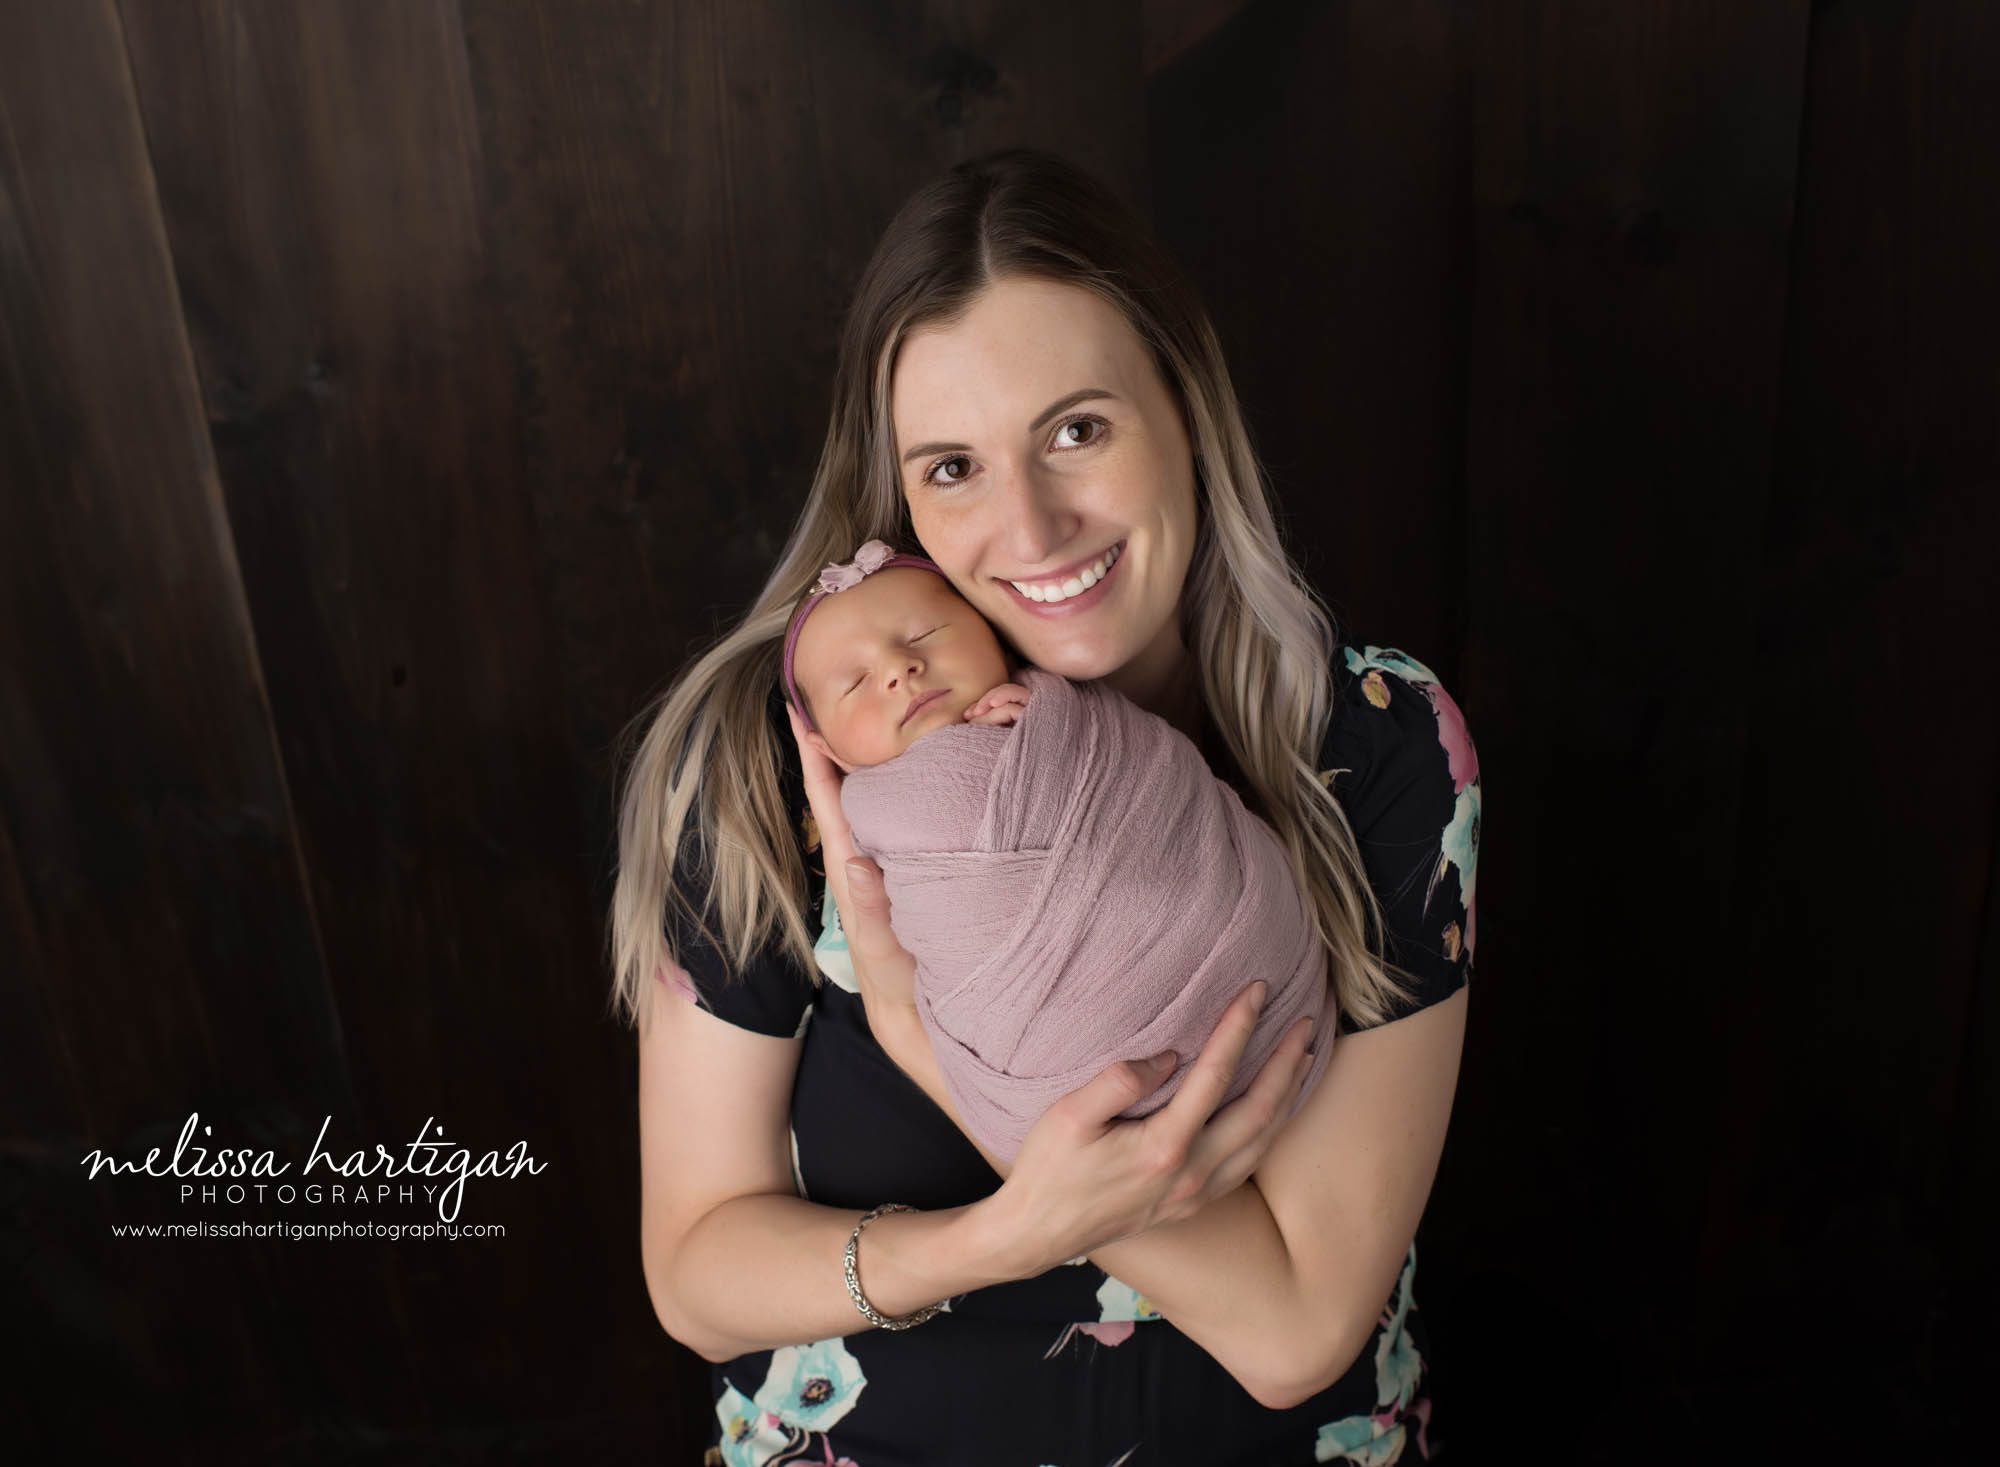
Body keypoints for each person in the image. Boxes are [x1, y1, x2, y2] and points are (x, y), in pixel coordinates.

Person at [612, 147, 1477, 1465]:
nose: (1031, 525)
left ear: (1182, 406)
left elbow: (1299, 1321)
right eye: (952, 467)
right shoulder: (771, 764)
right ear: (898, 492)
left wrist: (925, 1034)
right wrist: (998, 1232)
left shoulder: (1377, 744)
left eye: (1077, 429)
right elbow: (694, 1268)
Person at [779, 537, 1339, 1167]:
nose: (898, 669)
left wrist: (1049, 722)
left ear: (996, 638)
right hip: (1064, 1085)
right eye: (854, 683)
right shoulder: (872, 824)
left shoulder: (1065, 709)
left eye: (927, 632)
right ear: (831, 752)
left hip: (1257, 975)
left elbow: (1157, 781)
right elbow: (900, 962)